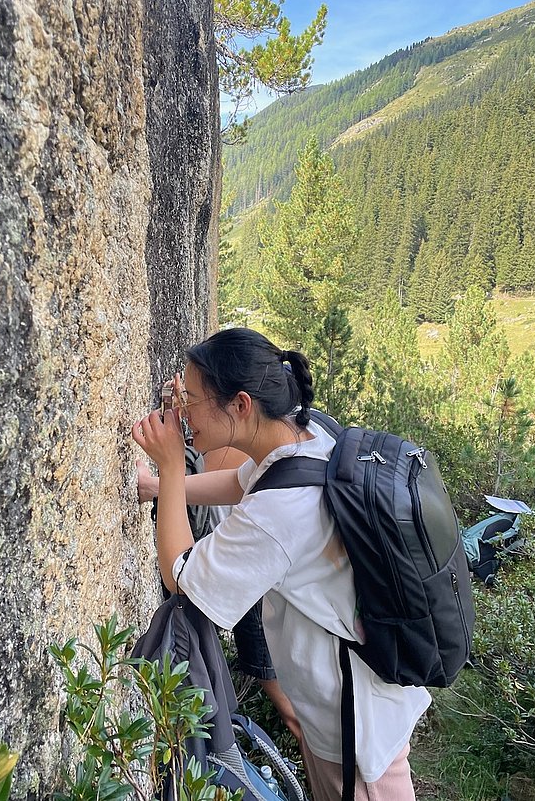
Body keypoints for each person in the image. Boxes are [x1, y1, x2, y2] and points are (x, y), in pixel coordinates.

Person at [132, 327, 430, 801]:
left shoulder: (281, 513)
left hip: (357, 737)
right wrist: (159, 488)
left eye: (190, 399)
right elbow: (240, 483)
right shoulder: (305, 435)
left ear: (240, 405)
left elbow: (181, 576)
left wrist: (170, 468)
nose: (182, 412)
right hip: (346, 710)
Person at [137, 443, 302, 741]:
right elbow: (233, 483)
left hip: (257, 588)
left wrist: (166, 473)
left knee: (293, 713)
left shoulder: (271, 450)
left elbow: (181, 578)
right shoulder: (269, 449)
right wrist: (155, 485)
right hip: (246, 584)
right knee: (291, 709)